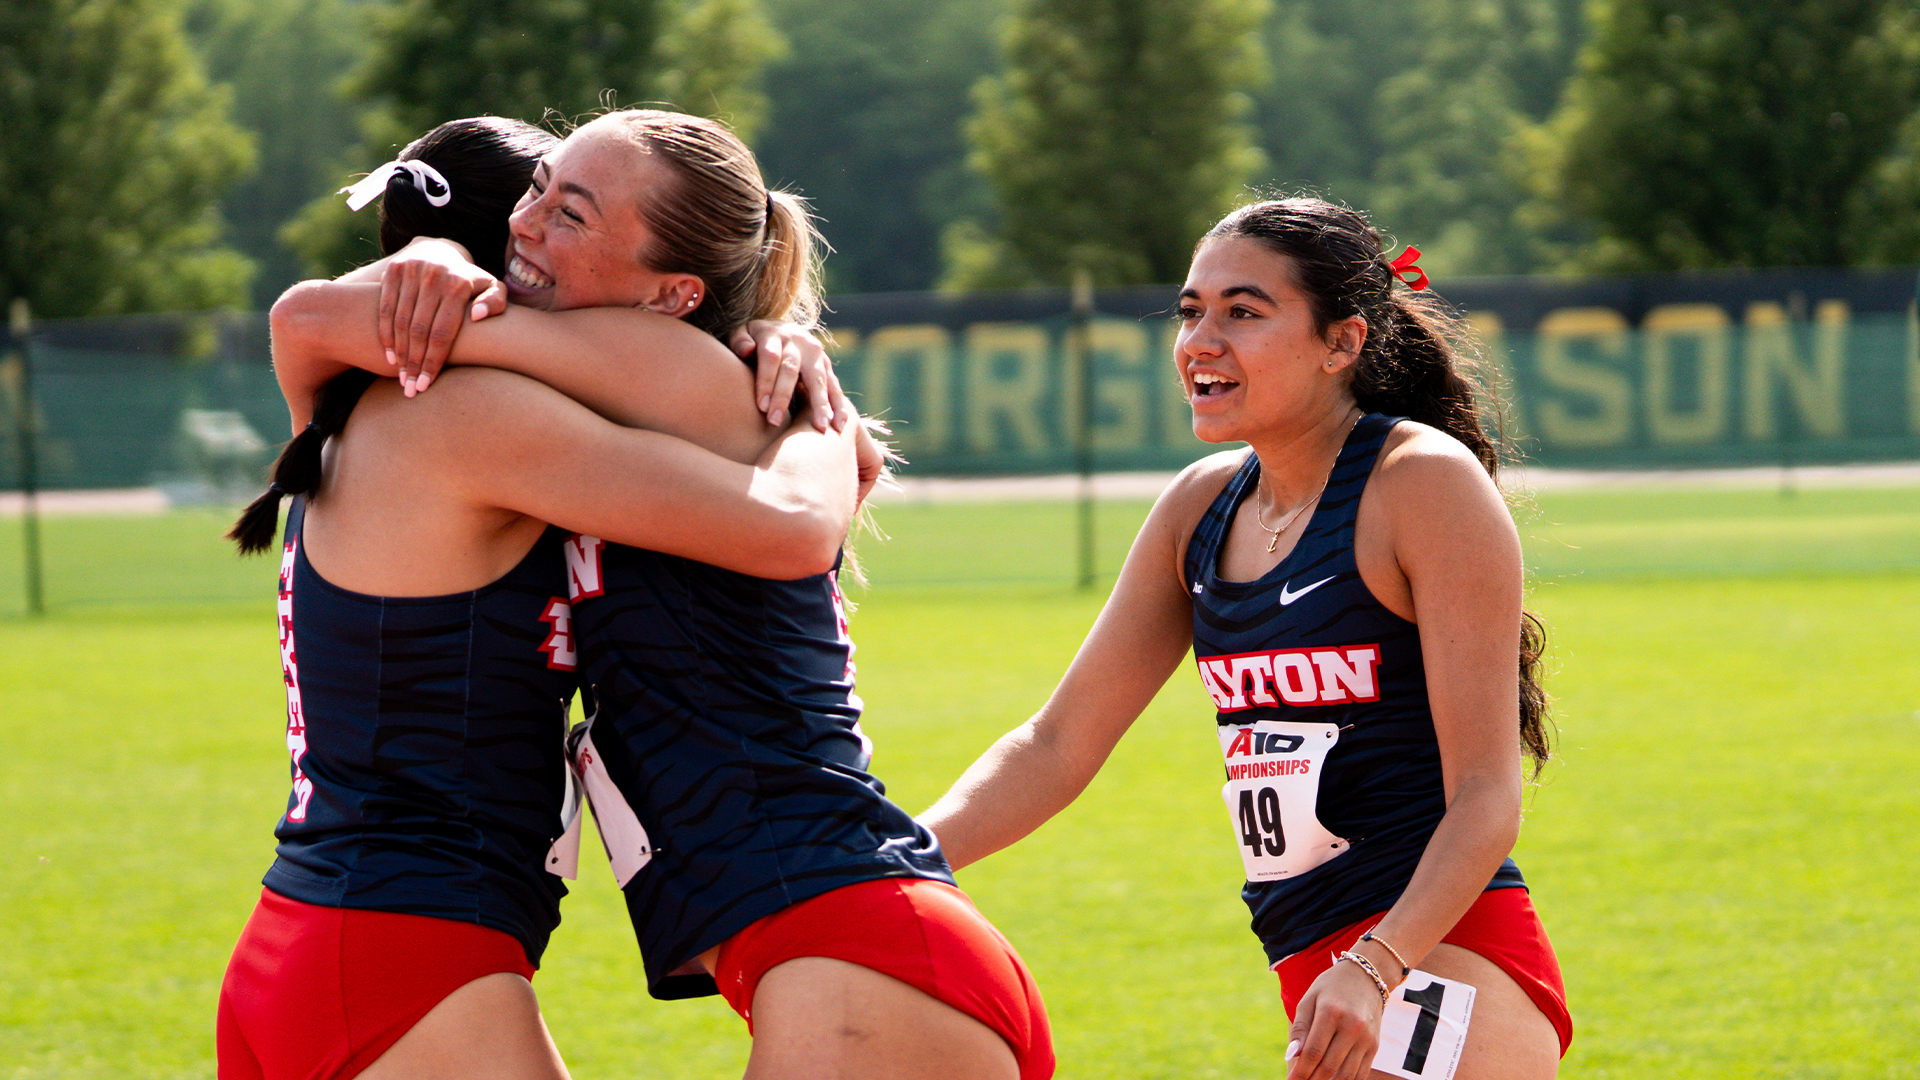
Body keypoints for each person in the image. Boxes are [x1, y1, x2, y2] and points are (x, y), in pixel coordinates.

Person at [263, 109, 1053, 1080]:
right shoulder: (505, 412)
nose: (528, 228)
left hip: (835, 936)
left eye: (568, 214)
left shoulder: (620, 383)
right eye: (531, 197)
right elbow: (309, 321)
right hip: (451, 946)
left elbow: (306, 323)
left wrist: (814, 402)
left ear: (675, 291)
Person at [919, 197, 1571, 1080]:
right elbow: (1058, 741)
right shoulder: (1200, 507)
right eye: (1191, 312)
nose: (1200, 341)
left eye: (1244, 313)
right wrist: (898, 857)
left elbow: (1488, 798)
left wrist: (1377, 966)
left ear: (1341, 343)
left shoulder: (1420, 484)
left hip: (1435, 951)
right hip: (1312, 957)